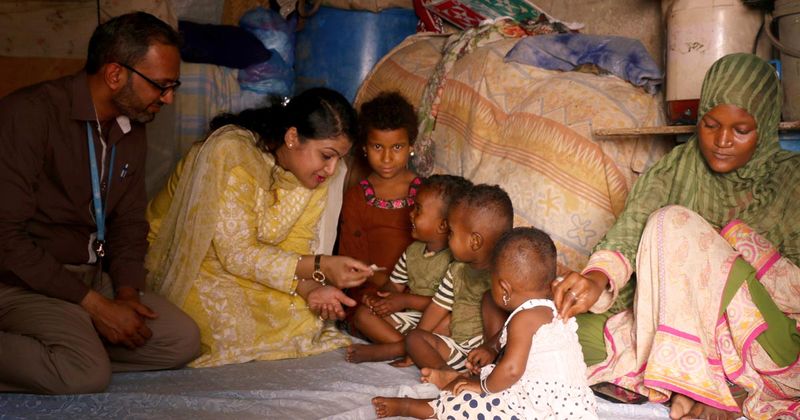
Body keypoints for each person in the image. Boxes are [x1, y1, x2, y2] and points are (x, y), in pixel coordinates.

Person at [553, 53, 800, 420]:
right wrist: (596, 278)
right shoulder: (679, 167)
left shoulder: (791, 180)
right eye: (711, 125)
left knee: (674, 224)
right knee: (558, 332)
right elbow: (632, 225)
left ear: (764, 126)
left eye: (741, 130)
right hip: (689, 330)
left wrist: (723, 251)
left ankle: (715, 390)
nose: (722, 141)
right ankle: (702, 384)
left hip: (764, 341)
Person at [0, 12, 199, 394]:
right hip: (24, 282)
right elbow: (7, 240)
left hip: (89, 277)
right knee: (84, 374)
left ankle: (66, 348)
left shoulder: (131, 126)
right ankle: (74, 352)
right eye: (162, 85)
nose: (169, 98)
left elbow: (128, 222)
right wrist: (95, 307)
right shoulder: (28, 115)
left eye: (173, 86)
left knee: (181, 340)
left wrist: (125, 294)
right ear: (114, 75)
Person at [146, 87, 377, 368]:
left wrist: (310, 290)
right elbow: (236, 254)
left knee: (306, 319)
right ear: (292, 137)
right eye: (327, 156)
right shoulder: (232, 154)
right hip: (188, 260)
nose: (331, 169)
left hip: (245, 264)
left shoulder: (314, 175)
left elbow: (295, 247)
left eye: (339, 158)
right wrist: (323, 266)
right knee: (225, 328)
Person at [372, 227, 598, 419]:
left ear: (504, 289)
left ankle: (411, 407)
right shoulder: (555, 308)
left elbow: (510, 370)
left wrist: (482, 387)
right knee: (481, 384)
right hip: (575, 409)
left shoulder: (522, 318)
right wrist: (492, 349)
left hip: (535, 408)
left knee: (465, 398)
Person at [345, 174, 472, 363]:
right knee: (363, 315)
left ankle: (396, 349)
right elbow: (394, 286)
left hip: (438, 324)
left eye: (418, 209)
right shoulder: (413, 252)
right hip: (410, 321)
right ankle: (409, 350)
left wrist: (404, 300)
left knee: (451, 321)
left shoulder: (456, 260)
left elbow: (448, 305)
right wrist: (380, 300)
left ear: (443, 225)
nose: (410, 213)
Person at [404, 184, 514, 373]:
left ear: (475, 241)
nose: (448, 238)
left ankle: (486, 371)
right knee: (414, 338)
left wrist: (491, 348)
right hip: (458, 348)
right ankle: (448, 375)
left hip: (490, 353)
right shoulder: (457, 270)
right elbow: (437, 307)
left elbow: (519, 321)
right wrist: (413, 348)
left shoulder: (506, 275)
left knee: (492, 300)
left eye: (452, 233)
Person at [338, 91, 421, 292]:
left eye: (397, 147)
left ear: (411, 146)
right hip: (371, 291)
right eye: (377, 146)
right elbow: (352, 258)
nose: (386, 158)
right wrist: (389, 288)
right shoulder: (356, 198)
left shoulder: (426, 194)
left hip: (417, 291)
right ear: (364, 147)